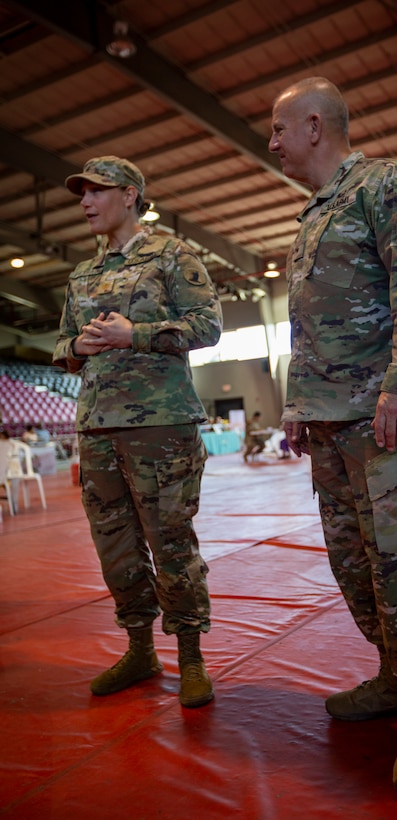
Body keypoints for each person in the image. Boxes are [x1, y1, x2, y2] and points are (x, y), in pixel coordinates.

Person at [269, 78, 397, 798]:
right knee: (354, 568)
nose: (272, 142)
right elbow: (310, 327)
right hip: (328, 422)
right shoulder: (314, 213)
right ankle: (391, 676)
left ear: (313, 125)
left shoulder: (386, 185)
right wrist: (297, 403)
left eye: (278, 129)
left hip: (386, 419)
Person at [53, 156, 222, 708]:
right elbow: (62, 346)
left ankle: (191, 657)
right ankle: (140, 649)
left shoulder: (172, 254)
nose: (85, 202)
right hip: (98, 427)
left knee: (170, 542)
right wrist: (77, 347)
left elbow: (209, 326)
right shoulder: (82, 274)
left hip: (160, 425)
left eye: (96, 191)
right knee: (116, 547)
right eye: (82, 193)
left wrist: (137, 334)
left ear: (129, 195)